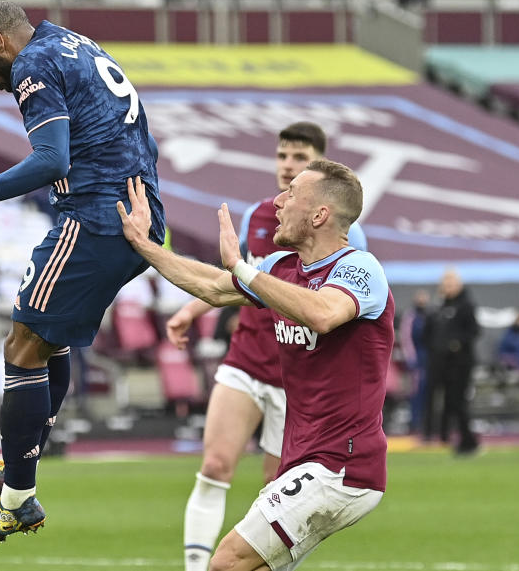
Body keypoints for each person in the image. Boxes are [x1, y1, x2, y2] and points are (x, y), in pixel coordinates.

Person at [0, 0, 165, 547]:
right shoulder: (70, 41)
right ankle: (19, 465)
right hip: (133, 209)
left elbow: (51, 161)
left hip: (98, 215)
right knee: (46, 339)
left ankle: (17, 499)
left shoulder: (34, 64)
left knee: (21, 345)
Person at [117, 159, 393, 571]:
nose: (278, 202)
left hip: (340, 466)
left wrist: (244, 268)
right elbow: (211, 286)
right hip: (307, 461)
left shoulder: (360, 268)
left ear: (320, 215)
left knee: (225, 563)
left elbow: (322, 314)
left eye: (292, 194)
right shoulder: (282, 268)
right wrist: (146, 246)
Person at [165, 123, 367, 571]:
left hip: (292, 380)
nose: (287, 166)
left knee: (275, 493)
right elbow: (233, 280)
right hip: (245, 360)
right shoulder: (262, 216)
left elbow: (328, 308)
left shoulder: (353, 248)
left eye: (298, 158)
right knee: (215, 465)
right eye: (282, 157)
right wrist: (189, 311)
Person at [423, 269, 480, 455]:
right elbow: (428, 332)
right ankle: (444, 436)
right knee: (444, 401)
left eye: (451, 283)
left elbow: (474, 332)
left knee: (458, 401)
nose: (448, 287)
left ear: (459, 285)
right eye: (445, 284)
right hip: (441, 362)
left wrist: (455, 343)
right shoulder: (438, 307)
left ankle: (469, 441)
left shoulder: (466, 305)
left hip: (460, 363)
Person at [398, 289, 430, 434]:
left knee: (428, 392)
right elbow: (406, 338)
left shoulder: (429, 315)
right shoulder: (411, 316)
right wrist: (411, 358)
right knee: (415, 392)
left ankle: (426, 422)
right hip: (417, 359)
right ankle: (414, 423)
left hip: (428, 359)